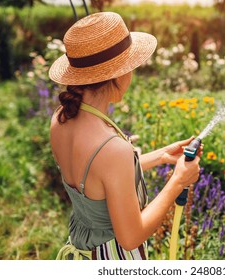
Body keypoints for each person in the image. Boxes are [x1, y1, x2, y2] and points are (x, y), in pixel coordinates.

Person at [48, 12, 202, 260]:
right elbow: (130, 237)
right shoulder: (111, 148)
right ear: (118, 74)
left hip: (80, 249)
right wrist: (177, 182)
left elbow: (100, 179)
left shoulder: (60, 120)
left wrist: (161, 156)